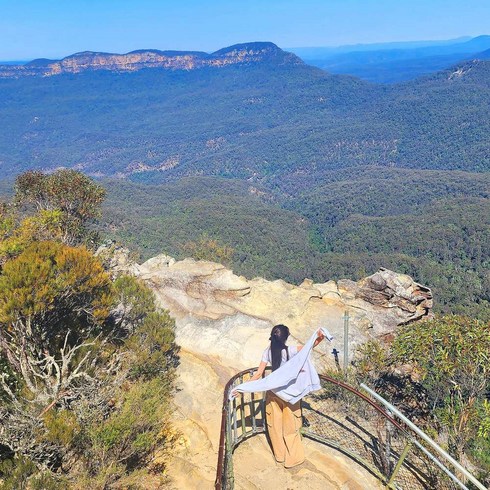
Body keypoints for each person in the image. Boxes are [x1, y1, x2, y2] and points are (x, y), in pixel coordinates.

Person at [247, 324, 325, 468]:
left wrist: (242, 388)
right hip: (290, 394)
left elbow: (258, 374)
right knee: (291, 426)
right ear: (286, 337)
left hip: (273, 392)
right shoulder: (290, 350)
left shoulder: (267, 352)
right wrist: (320, 337)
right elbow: (309, 347)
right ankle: (292, 459)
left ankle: (280, 455)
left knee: (274, 425)